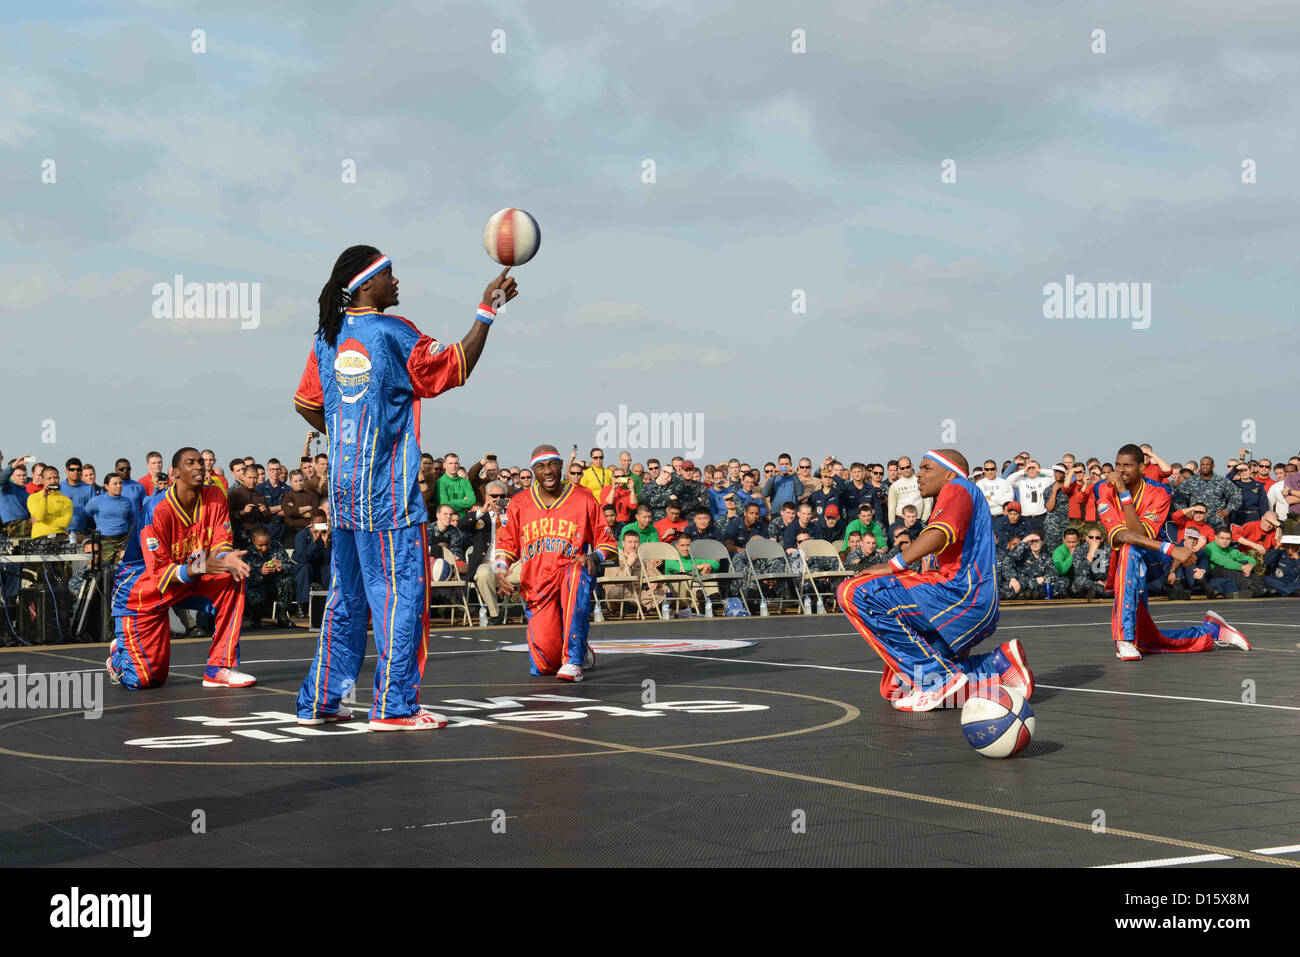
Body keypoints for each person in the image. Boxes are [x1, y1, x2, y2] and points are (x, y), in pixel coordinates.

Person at [294, 246, 514, 729]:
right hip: (386, 494)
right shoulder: (393, 333)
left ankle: (320, 702)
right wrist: (487, 311)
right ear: (366, 283)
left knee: (346, 600)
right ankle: (394, 708)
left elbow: (306, 403)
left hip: (344, 492)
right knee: (400, 599)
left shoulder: (328, 337)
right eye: (390, 275)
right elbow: (454, 366)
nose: (398, 282)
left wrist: (346, 425)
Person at [836, 449, 1031, 712]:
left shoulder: (958, 487)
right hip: (969, 603)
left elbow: (940, 533)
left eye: (927, 468)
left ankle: (938, 680)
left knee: (854, 591)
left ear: (949, 473)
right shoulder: (961, 496)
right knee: (895, 686)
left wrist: (894, 564)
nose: (919, 473)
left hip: (959, 596)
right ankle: (997, 666)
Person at [107, 448, 253, 690]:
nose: (199, 466)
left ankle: (219, 667)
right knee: (145, 680)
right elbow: (161, 572)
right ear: (174, 472)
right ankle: (120, 655)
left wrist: (226, 558)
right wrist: (202, 566)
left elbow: (220, 543)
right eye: (190, 462)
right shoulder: (156, 509)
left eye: (200, 462)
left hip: (188, 576)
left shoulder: (215, 495)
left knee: (233, 578)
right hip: (142, 590)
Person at [1097, 444, 1250, 661]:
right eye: (1118, 465)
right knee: (1148, 641)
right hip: (1128, 562)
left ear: (1142, 467)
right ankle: (1212, 631)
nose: (1121, 471)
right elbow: (1120, 535)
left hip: (1150, 560)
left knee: (1131, 548)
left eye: (1128, 466)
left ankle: (1124, 638)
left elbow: (1141, 535)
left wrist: (1123, 495)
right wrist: (1170, 548)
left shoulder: (1160, 491)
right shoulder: (1104, 488)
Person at [493, 446, 617, 681]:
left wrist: (594, 557)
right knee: (544, 667)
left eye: (552, 465)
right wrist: (500, 570)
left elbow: (607, 543)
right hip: (536, 584)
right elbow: (506, 544)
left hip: (569, 575)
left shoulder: (583, 498)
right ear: (533, 471)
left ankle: (574, 659)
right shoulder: (520, 503)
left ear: (562, 466)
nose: (548, 471)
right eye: (541, 467)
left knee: (576, 572)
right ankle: (581, 648)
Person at [244, 526, 296, 629]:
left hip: (275, 584)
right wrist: (260, 573)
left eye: (267, 544)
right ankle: (255, 617)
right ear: (253, 542)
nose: (264, 548)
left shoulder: (276, 546)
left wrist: (281, 568)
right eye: (260, 545)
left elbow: (290, 566)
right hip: (258, 587)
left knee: (288, 580)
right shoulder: (248, 553)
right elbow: (245, 577)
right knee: (251, 592)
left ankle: (282, 616)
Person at [85, 473, 137, 565]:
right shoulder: (97, 500)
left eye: (120, 483)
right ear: (106, 486)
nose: (119, 486)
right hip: (104, 540)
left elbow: (133, 521)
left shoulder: (127, 501)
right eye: (115, 484)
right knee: (104, 567)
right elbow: (84, 514)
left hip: (123, 540)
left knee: (121, 567)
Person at [293, 510, 332, 616]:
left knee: (327, 568)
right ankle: (302, 606)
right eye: (317, 524)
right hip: (303, 567)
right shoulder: (302, 535)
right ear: (311, 523)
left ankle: (329, 602)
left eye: (322, 523)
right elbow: (303, 558)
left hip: (318, 567)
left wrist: (325, 544)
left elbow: (327, 559)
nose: (320, 527)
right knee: (306, 567)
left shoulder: (327, 535)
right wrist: (314, 542)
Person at [28, 466, 74, 537]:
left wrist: (44, 519)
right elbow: (40, 516)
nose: (53, 481)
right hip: (40, 537)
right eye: (49, 478)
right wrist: (44, 497)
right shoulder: (33, 497)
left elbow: (65, 522)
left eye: (56, 478)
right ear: (43, 481)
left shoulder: (66, 500)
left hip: (60, 536)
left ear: (59, 479)